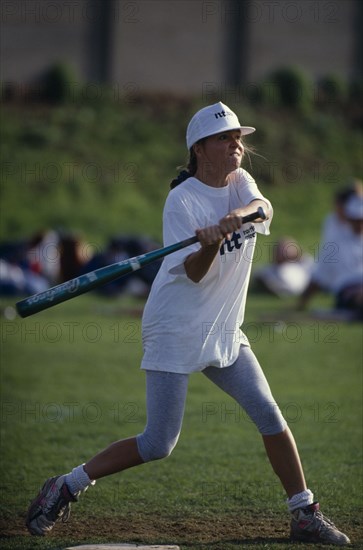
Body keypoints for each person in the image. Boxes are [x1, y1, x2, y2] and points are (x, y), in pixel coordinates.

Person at [26, 102, 350, 546]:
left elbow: (263, 206)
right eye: (225, 138)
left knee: (270, 414)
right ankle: (67, 484)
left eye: (239, 137)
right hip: (175, 326)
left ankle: (304, 513)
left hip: (223, 328)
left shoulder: (240, 182)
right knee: (159, 443)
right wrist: (210, 244)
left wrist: (238, 217)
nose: (237, 144)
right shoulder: (182, 201)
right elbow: (195, 273)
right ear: (200, 148)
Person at [298, 181, 362, 310]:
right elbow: (319, 275)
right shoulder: (335, 241)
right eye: (356, 220)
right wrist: (303, 302)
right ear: (350, 219)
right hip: (347, 289)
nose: (359, 224)